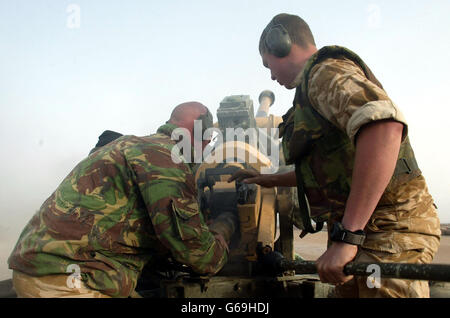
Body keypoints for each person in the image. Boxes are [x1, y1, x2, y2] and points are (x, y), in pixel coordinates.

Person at [229, 13, 441, 298]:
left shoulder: (324, 73)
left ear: (281, 43)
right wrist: (267, 180)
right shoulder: (312, 88)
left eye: (269, 64)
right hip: (366, 234)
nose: (270, 75)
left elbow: (383, 127)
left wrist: (348, 237)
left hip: (386, 231)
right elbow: (326, 172)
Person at [8, 102, 237, 298]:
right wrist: (224, 227)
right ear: (204, 139)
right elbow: (198, 255)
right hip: (68, 279)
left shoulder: (129, 145)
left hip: (44, 268)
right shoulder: (167, 159)